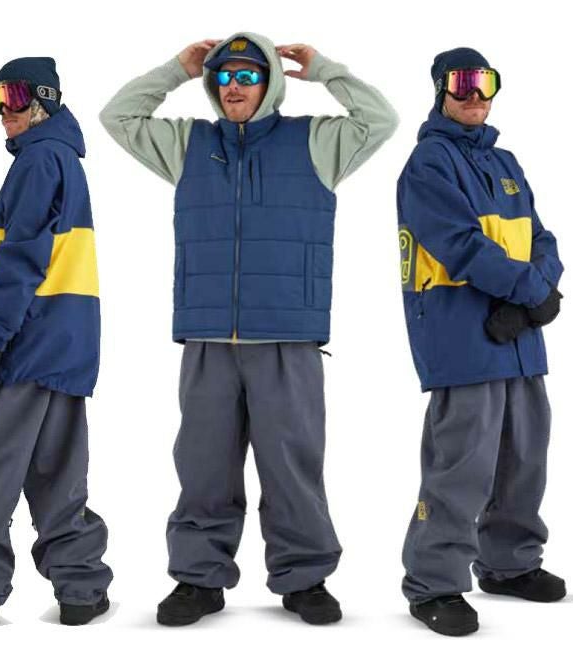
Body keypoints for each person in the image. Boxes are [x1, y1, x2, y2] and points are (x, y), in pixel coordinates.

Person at [100, 32, 397, 626]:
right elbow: (118, 116)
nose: (233, 87)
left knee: (292, 466)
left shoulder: (316, 142)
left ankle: (305, 578)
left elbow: (381, 119)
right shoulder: (189, 144)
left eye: (248, 76)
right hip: (208, 336)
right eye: (224, 76)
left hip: (287, 335)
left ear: (271, 83)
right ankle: (198, 579)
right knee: (203, 465)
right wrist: (178, 68)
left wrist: (324, 69)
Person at [397, 47, 565, 637]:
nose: (474, 95)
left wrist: (536, 294)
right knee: (461, 464)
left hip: (519, 340)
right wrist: (532, 293)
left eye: (485, 83)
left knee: (525, 456)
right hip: (461, 336)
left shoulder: (505, 162)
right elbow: (460, 245)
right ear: (440, 90)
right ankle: (434, 583)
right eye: (462, 84)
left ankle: (508, 563)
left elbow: (542, 239)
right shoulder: (428, 164)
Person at [0, 57, 113, 627]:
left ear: (44, 101)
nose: (3, 112)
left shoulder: (39, 161)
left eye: (14, 98)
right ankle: (80, 588)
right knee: (57, 470)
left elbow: (19, 260)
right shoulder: (62, 160)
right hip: (65, 345)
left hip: (22, 344)